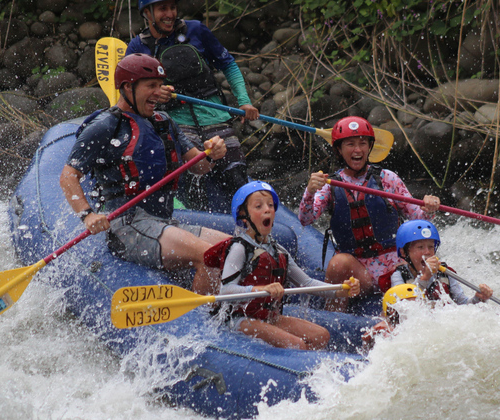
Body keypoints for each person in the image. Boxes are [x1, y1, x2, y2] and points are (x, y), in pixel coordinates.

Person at [59, 53, 229, 294]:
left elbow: (199, 166)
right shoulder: (105, 125)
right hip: (127, 228)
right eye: (151, 86)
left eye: (160, 86)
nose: (158, 92)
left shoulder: (164, 121)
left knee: (235, 250)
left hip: (164, 222)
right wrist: (87, 216)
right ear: (128, 87)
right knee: (210, 256)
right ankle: (209, 324)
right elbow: (68, 176)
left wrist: (211, 153)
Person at [125, 0, 259, 212]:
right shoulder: (138, 47)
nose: (170, 14)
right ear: (147, 13)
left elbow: (227, 64)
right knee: (189, 173)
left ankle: (247, 218)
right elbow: (132, 92)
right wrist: (156, 93)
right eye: (162, 9)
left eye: (172, 7)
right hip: (175, 121)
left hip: (213, 114)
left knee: (236, 172)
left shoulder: (196, 30)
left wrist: (244, 100)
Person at [298, 116, 442, 311]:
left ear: (370, 147)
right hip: (359, 273)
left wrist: (428, 208)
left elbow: (417, 219)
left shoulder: (387, 179)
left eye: (362, 143)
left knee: (419, 255)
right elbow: (306, 219)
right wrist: (310, 192)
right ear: (339, 149)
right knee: (338, 262)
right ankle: (334, 317)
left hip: (395, 267)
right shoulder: (329, 184)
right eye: (350, 144)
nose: (357, 150)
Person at [204, 181, 361, 350]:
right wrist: (262, 289)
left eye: (270, 205)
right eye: (258, 206)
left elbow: (307, 283)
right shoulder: (239, 248)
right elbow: (226, 290)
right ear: (243, 214)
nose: (267, 209)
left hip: (268, 317)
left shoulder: (278, 250)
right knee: (297, 344)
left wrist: (340, 290)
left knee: (321, 336)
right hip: (237, 319)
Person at [379, 220, 494, 305]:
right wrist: (425, 278)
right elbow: (404, 306)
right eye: (420, 247)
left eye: (430, 247)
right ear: (404, 253)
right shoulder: (399, 275)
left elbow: (463, 304)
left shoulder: (445, 273)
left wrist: (479, 299)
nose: (427, 252)